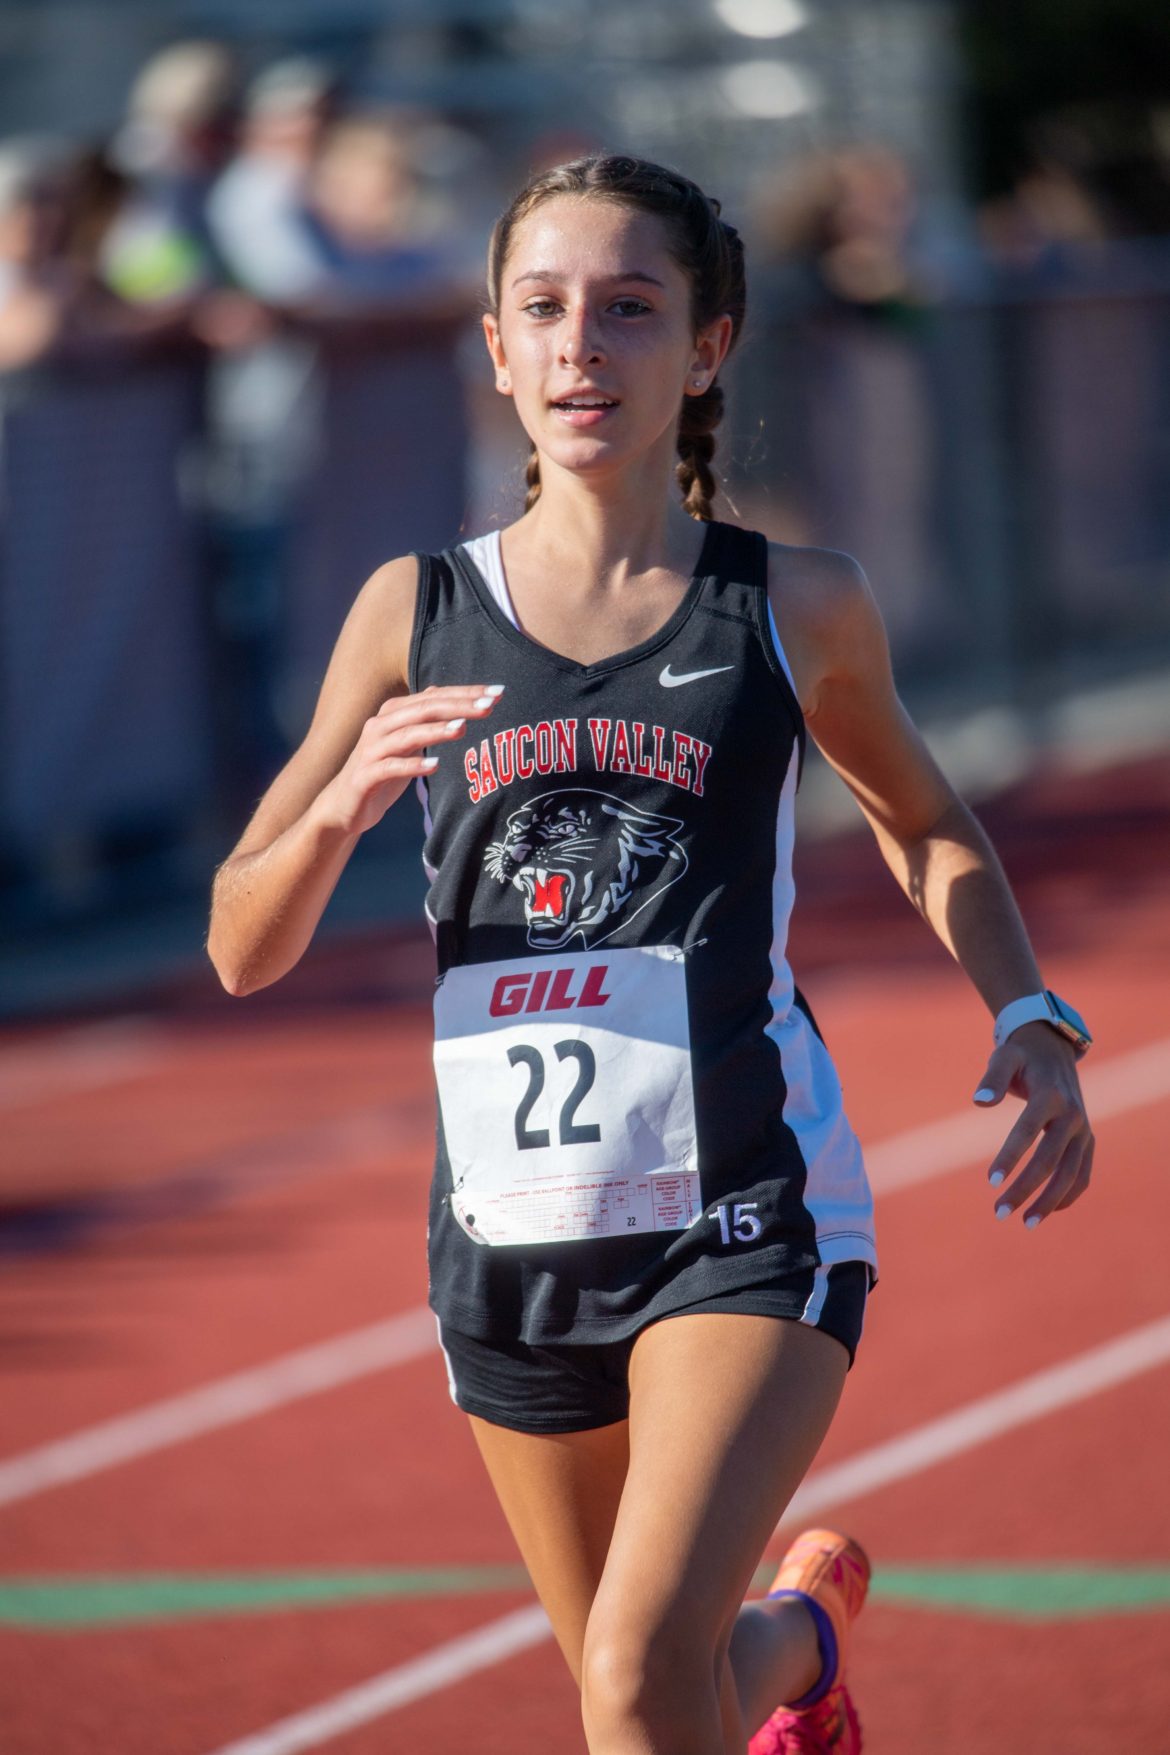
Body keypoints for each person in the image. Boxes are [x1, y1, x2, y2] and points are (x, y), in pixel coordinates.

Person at [207, 153, 1094, 1755]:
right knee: (649, 1686)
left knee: (628, 1677)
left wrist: (1027, 1010)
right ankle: (798, 1650)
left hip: (745, 1203)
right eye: (541, 310)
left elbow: (925, 821)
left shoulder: (790, 606)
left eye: (628, 310)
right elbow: (238, 948)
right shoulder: (409, 612)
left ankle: (768, 1649)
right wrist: (335, 806)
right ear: (492, 346)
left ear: (705, 346)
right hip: (510, 1232)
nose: (579, 348)